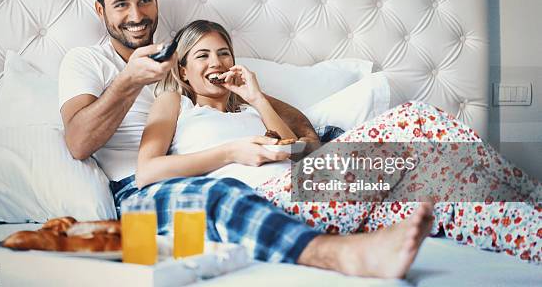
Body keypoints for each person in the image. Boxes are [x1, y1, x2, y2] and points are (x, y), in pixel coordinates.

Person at [59, 0, 434, 278]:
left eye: (144, 0)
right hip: (146, 190)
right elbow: (79, 143)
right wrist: (129, 80)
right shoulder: (90, 63)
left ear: (156, 0)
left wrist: (262, 103)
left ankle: (482, 218)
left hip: (256, 177)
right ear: (101, 10)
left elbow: (292, 134)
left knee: (409, 127)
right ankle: (341, 255)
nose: (136, 15)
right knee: (220, 193)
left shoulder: (184, 60)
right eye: (121, 4)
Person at [140, 20, 540, 263]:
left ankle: (532, 228)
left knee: (449, 193)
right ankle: (532, 191)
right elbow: (147, 172)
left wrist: (258, 99)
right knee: (414, 118)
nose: (216, 64)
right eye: (203, 56)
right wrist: (231, 151)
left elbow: (298, 148)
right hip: (265, 203)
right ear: (183, 69)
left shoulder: (250, 107)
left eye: (224, 54)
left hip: (318, 189)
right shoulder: (174, 102)